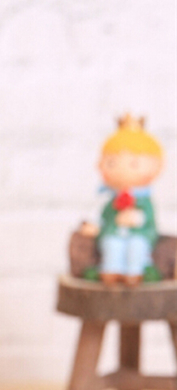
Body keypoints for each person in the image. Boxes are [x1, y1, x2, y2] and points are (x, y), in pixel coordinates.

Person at [80, 115, 164, 286]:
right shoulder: (111, 200)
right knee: (112, 244)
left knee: (136, 246)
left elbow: (149, 220)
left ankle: (135, 273)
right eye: (111, 162)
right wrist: (96, 227)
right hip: (114, 233)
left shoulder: (144, 200)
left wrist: (137, 218)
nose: (122, 169)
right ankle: (111, 271)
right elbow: (105, 217)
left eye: (134, 164)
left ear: (156, 166)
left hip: (138, 235)